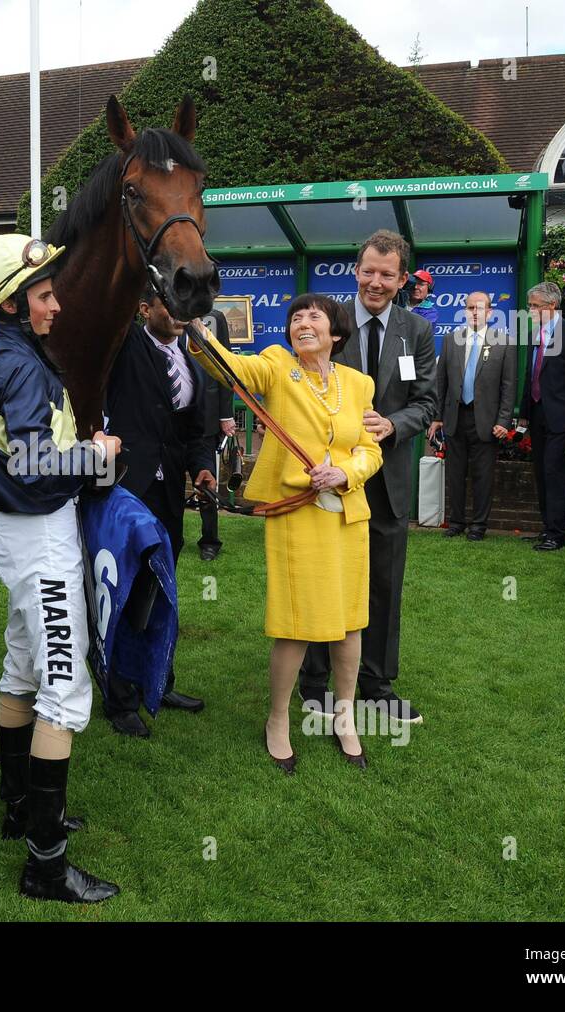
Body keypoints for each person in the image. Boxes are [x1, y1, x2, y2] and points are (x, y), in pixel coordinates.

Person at [0, 232, 119, 902]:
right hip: (39, 538)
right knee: (64, 692)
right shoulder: (21, 366)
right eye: (44, 295)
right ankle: (45, 866)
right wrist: (99, 455)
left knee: (21, 669)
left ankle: (21, 810)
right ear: (11, 304)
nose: (56, 305)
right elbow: (29, 464)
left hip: (15, 533)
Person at [191, 294, 383, 771]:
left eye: (313, 316)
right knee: (295, 625)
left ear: (336, 332)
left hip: (346, 516)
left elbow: (370, 449)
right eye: (296, 317)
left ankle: (344, 717)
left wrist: (344, 472)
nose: (303, 323)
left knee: (348, 626)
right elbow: (230, 368)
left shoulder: (359, 384)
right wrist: (197, 327)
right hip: (296, 517)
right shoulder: (277, 366)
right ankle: (278, 719)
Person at [299, 230, 436, 725]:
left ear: (403, 280)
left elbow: (425, 402)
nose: (374, 282)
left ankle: (375, 683)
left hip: (387, 482)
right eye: (367, 271)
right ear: (355, 271)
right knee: (323, 580)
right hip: (331, 479)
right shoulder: (327, 321)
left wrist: (393, 424)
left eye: (386, 275)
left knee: (383, 584)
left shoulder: (417, 332)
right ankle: (313, 680)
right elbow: (300, 386)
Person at [100, 285, 211, 737]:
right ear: (143, 308)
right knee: (129, 587)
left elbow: (195, 427)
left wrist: (203, 467)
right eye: (168, 302)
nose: (179, 310)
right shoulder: (126, 342)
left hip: (170, 491)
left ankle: (159, 680)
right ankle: (120, 697)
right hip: (129, 487)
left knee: (163, 588)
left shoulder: (192, 356)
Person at [428, 290, 516, 540]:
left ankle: (478, 526)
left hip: (486, 420)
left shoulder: (504, 342)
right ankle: (456, 522)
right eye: (469, 308)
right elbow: (441, 381)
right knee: (455, 474)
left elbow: (509, 386)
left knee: (483, 475)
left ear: (490, 312)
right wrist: (437, 416)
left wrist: (503, 421)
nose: (474, 312)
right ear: (464, 311)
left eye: (479, 308)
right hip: (456, 417)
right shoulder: (450, 340)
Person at [516, 281, 565, 551]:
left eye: (535, 306)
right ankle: (547, 527)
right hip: (537, 414)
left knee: (554, 473)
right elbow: (531, 375)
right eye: (530, 306)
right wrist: (524, 412)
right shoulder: (534, 334)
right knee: (541, 472)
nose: (531, 310)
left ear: (552, 306)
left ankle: (557, 534)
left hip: (562, 417)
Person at [197, 308, 235, 561]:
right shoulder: (156, 311)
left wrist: (225, 414)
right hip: (166, 417)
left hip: (205, 418)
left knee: (206, 482)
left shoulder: (214, 317)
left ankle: (210, 540)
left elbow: (225, 366)